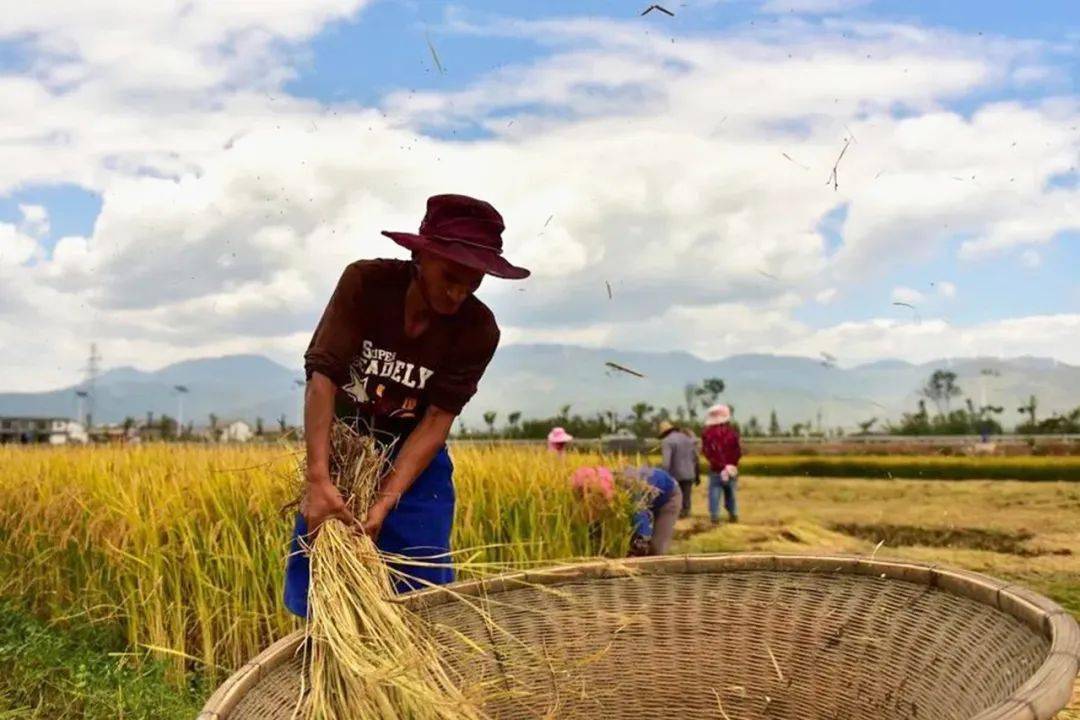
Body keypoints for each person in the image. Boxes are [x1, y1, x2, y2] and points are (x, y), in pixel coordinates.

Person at [284, 194, 530, 617]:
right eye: (450, 277)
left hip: (414, 458)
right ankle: (327, 666)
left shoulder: (478, 328)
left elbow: (437, 420)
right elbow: (322, 377)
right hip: (345, 449)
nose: (457, 293)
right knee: (322, 583)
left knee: (422, 591)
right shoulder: (366, 284)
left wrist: (384, 501)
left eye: (472, 284)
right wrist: (318, 478)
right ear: (421, 256)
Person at [626, 466, 682, 556]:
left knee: (657, 549)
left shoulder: (632, 488)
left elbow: (640, 512)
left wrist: (642, 539)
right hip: (651, 496)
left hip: (669, 496)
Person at [701, 404, 741, 525]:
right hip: (731, 468)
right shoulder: (732, 433)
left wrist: (717, 463)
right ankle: (733, 514)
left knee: (714, 492)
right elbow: (737, 451)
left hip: (716, 469)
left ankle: (715, 517)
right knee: (731, 492)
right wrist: (732, 464)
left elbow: (706, 452)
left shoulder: (707, 434)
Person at [658, 420, 699, 518]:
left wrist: (663, 477)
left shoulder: (667, 441)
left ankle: (678, 513)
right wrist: (697, 473)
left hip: (676, 474)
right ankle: (686, 512)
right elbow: (695, 457)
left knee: (676, 495)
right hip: (690, 472)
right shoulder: (687, 438)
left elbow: (666, 462)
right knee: (687, 495)